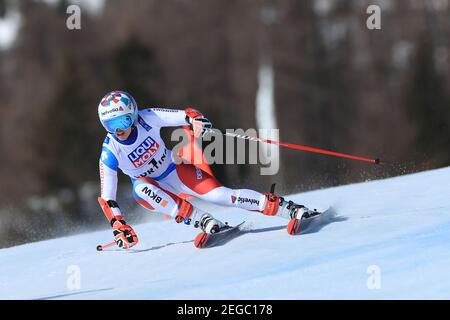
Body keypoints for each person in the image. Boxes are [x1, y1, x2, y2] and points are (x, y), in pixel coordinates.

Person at [97, 91, 316, 249]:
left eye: (123, 121)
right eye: (110, 125)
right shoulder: (110, 152)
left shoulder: (148, 118)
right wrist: (118, 223)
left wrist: (196, 120)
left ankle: (288, 209)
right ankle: (204, 221)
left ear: (133, 115)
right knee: (141, 189)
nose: (119, 130)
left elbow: (186, 114)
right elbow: (108, 198)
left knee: (222, 196)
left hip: (174, 171)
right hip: (151, 187)